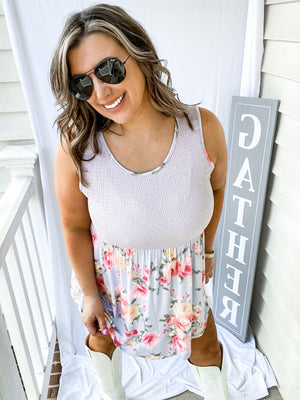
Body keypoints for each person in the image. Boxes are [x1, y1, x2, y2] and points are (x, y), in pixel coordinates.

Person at [51, 3, 229, 400]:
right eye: (82, 84)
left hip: (186, 274)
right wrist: (89, 295)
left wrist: (210, 251)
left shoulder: (204, 129)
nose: (101, 92)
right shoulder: (78, 148)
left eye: (109, 70)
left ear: (140, 54)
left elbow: (216, 188)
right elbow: (75, 225)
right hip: (111, 279)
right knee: (101, 340)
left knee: (206, 348)